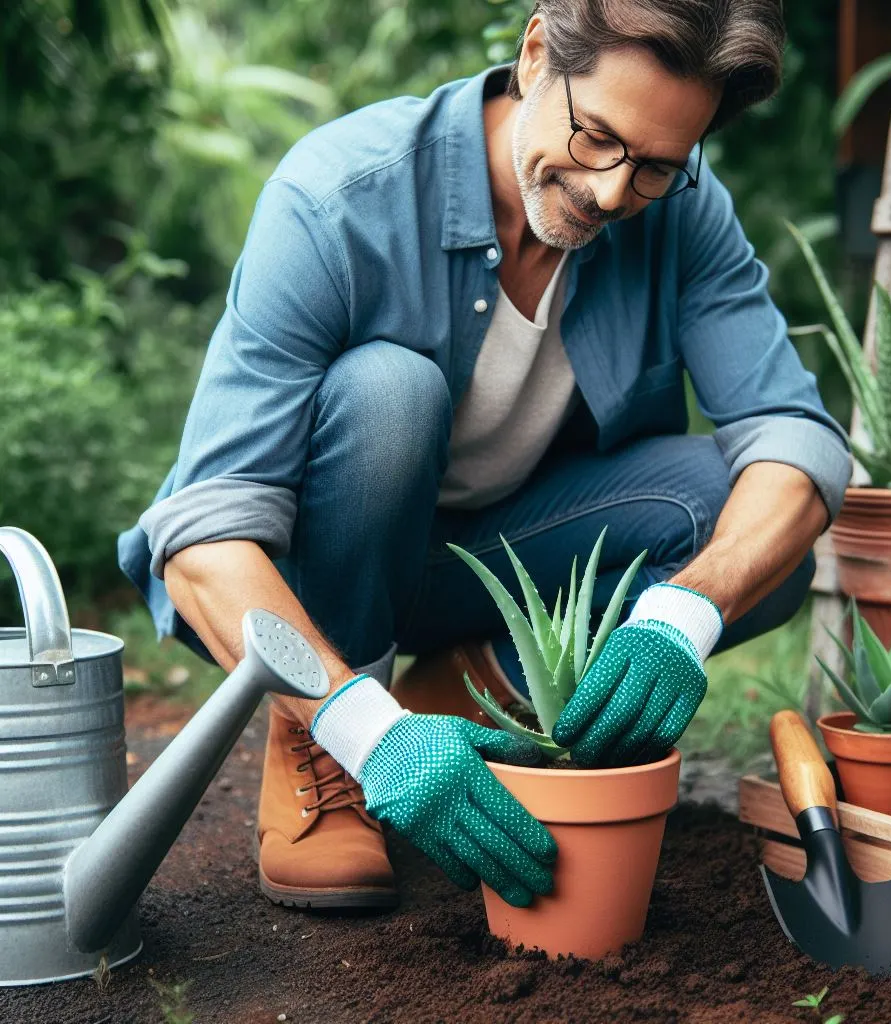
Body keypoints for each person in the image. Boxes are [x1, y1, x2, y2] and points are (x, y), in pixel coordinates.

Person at [117, 0, 852, 914]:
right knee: (390, 394)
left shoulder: (684, 214)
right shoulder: (339, 196)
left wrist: (684, 614)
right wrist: (360, 728)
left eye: (659, 165)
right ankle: (332, 734)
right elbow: (204, 532)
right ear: (538, 51)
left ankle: (459, 698)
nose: (615, 193)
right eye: (598, 140)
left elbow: (795, 435)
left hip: (498, 552)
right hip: (331, 572)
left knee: (746, 531)